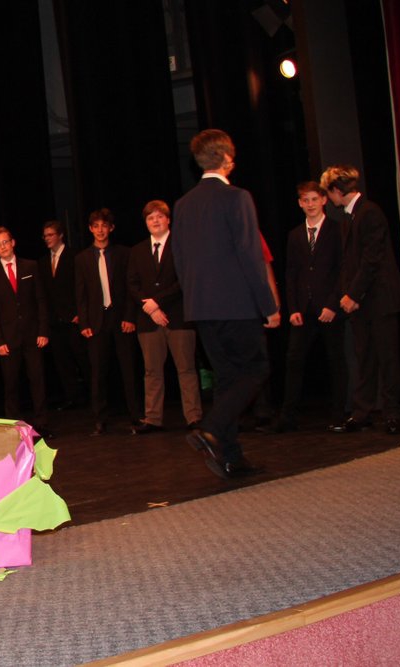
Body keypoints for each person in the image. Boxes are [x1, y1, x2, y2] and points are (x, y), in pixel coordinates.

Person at [172, 129, 279, 479]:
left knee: (228, 378)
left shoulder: (183, 205)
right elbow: (250, 255)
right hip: (237, 306)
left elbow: (179, 260)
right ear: (227, 158)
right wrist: (268, 305)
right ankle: (211, 428)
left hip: (201, 308)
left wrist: (194, 299)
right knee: (255, 370)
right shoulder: (237, 197)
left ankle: (231, 457)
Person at [320, 165, 400, 434]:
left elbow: (372, 259)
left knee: (387, 358)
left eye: (328, 193)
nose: (329, 199)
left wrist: (353, 294)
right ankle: (362, 413)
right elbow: (349, 264)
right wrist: (347, 295)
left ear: (336, 190)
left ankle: (392, 414)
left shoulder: (369, 212)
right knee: (364, 358)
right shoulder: (350, 217)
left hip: (380, 300)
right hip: (361, 302)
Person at [126, 200, 203, 433]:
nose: (155, 221)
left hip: (178, 317)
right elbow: (132, 284)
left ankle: (194, 417)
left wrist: (158, 302)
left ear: (168, 219)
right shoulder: (137, 250)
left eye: (159, 216)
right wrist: (151, 308)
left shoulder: (181, 245)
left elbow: (185, 279)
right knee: (152, 372)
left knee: (186, 369)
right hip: (148, 321)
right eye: (150, 218)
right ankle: (152, 419)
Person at [277, 182, 347, 432]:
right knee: (294, 360)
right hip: (303, 309)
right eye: (305, 200)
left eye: (314, 199)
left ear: (324, 200)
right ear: (299, 203)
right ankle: (288, 416)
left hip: (329, 308)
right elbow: (291, 273)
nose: (310, 204)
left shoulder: (337, 230)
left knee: (336, 360)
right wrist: (293, 308)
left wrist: (332, 304)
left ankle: (339, 414)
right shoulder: (295, 235)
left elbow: (343, 270)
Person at [75, 209, 141, 435]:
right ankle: (100, 419)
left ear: (111, 228)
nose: (100, 230)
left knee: (129, 368)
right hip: (96, 320)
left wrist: (130, 316)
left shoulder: (124, 254)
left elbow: (131, 288)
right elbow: (81, 294)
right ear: (90, 229)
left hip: (120, 317)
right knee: (98, 372)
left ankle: (136, 415)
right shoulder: (82, 258)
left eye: (104, 226)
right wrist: (84, 323)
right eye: (96, 226)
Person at [0, 226, 50, 434]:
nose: (3, 247)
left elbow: (41, 300)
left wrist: (43, 330)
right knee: (11, 384)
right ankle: (14, 426)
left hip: (32, 334)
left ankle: (42, 424)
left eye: (5, 242)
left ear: (13, 243)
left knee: (38, 380)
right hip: (8, 339)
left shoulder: (30, 266)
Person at [37, 220, 87, 410]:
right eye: (45, 236)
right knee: (62, 362)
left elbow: (81, 287)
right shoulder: (43, 262)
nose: (47, 239)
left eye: (50, 235)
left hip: (74, 318)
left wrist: (79, 312)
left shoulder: (75, 256)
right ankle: (73, 397)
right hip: (55, 321)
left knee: (82, 358)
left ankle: (92, 396)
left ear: (60, 235)